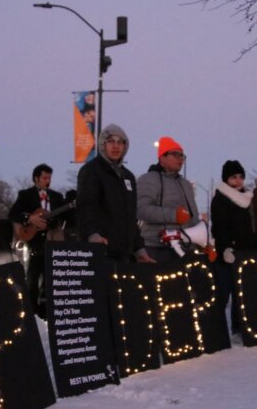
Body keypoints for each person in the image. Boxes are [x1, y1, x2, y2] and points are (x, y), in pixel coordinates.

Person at [76, 124, 152, 263]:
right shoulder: (91, 171)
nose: (116, 146)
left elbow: (131, 217)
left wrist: (139, 250)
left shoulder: (128, 176)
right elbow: (86, 207)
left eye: (120, 142)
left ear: (125, 146)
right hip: (100, 251)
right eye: (111, 141)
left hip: (125, 255)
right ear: (103, 144)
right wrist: (92, 235)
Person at [9, 164, 67, 317]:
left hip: (50, 240)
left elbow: (63, 218)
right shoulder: (26, 195)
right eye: (44, 178)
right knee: (32, 276)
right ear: (36, 178)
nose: (47, 181)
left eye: (49, 178)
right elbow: (13, 214)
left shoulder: (56, 197)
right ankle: (31, 308)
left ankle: (47, 309)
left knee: (50, 276)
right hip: (32, 241)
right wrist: (30, 218)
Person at [210, 160, 257, 335]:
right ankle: (216, 332)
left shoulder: (246, 199)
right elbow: (218, 226)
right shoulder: (220, 199)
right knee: (223, 294)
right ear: (226, 179)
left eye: (241, 177)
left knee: (242, 295)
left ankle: (239, 328)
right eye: (233, 177)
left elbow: (249, 228)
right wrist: (224, 248)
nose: (238, 181)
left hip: (245, 252)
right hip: (228, 254)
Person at [137, 136, 201, 263]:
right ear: (162, 158)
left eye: (182, 156)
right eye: (175, 154)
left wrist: (202, 243)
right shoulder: (148, 179)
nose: (180, 159)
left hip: (184, 249)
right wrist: (173, 215)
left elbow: (194, 218)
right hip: (155, 249)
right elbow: (141, 210)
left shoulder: (186, 185)